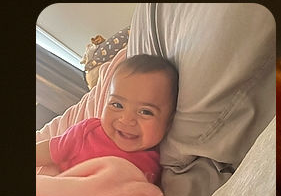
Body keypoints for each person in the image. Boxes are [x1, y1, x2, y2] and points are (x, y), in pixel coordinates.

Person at [35, 54, 177, 185]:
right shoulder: (87, 133)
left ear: (169, 123)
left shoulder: (159, 162)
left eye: (145, 112)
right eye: (117, 105)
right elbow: (50, 150)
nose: (126, 120)